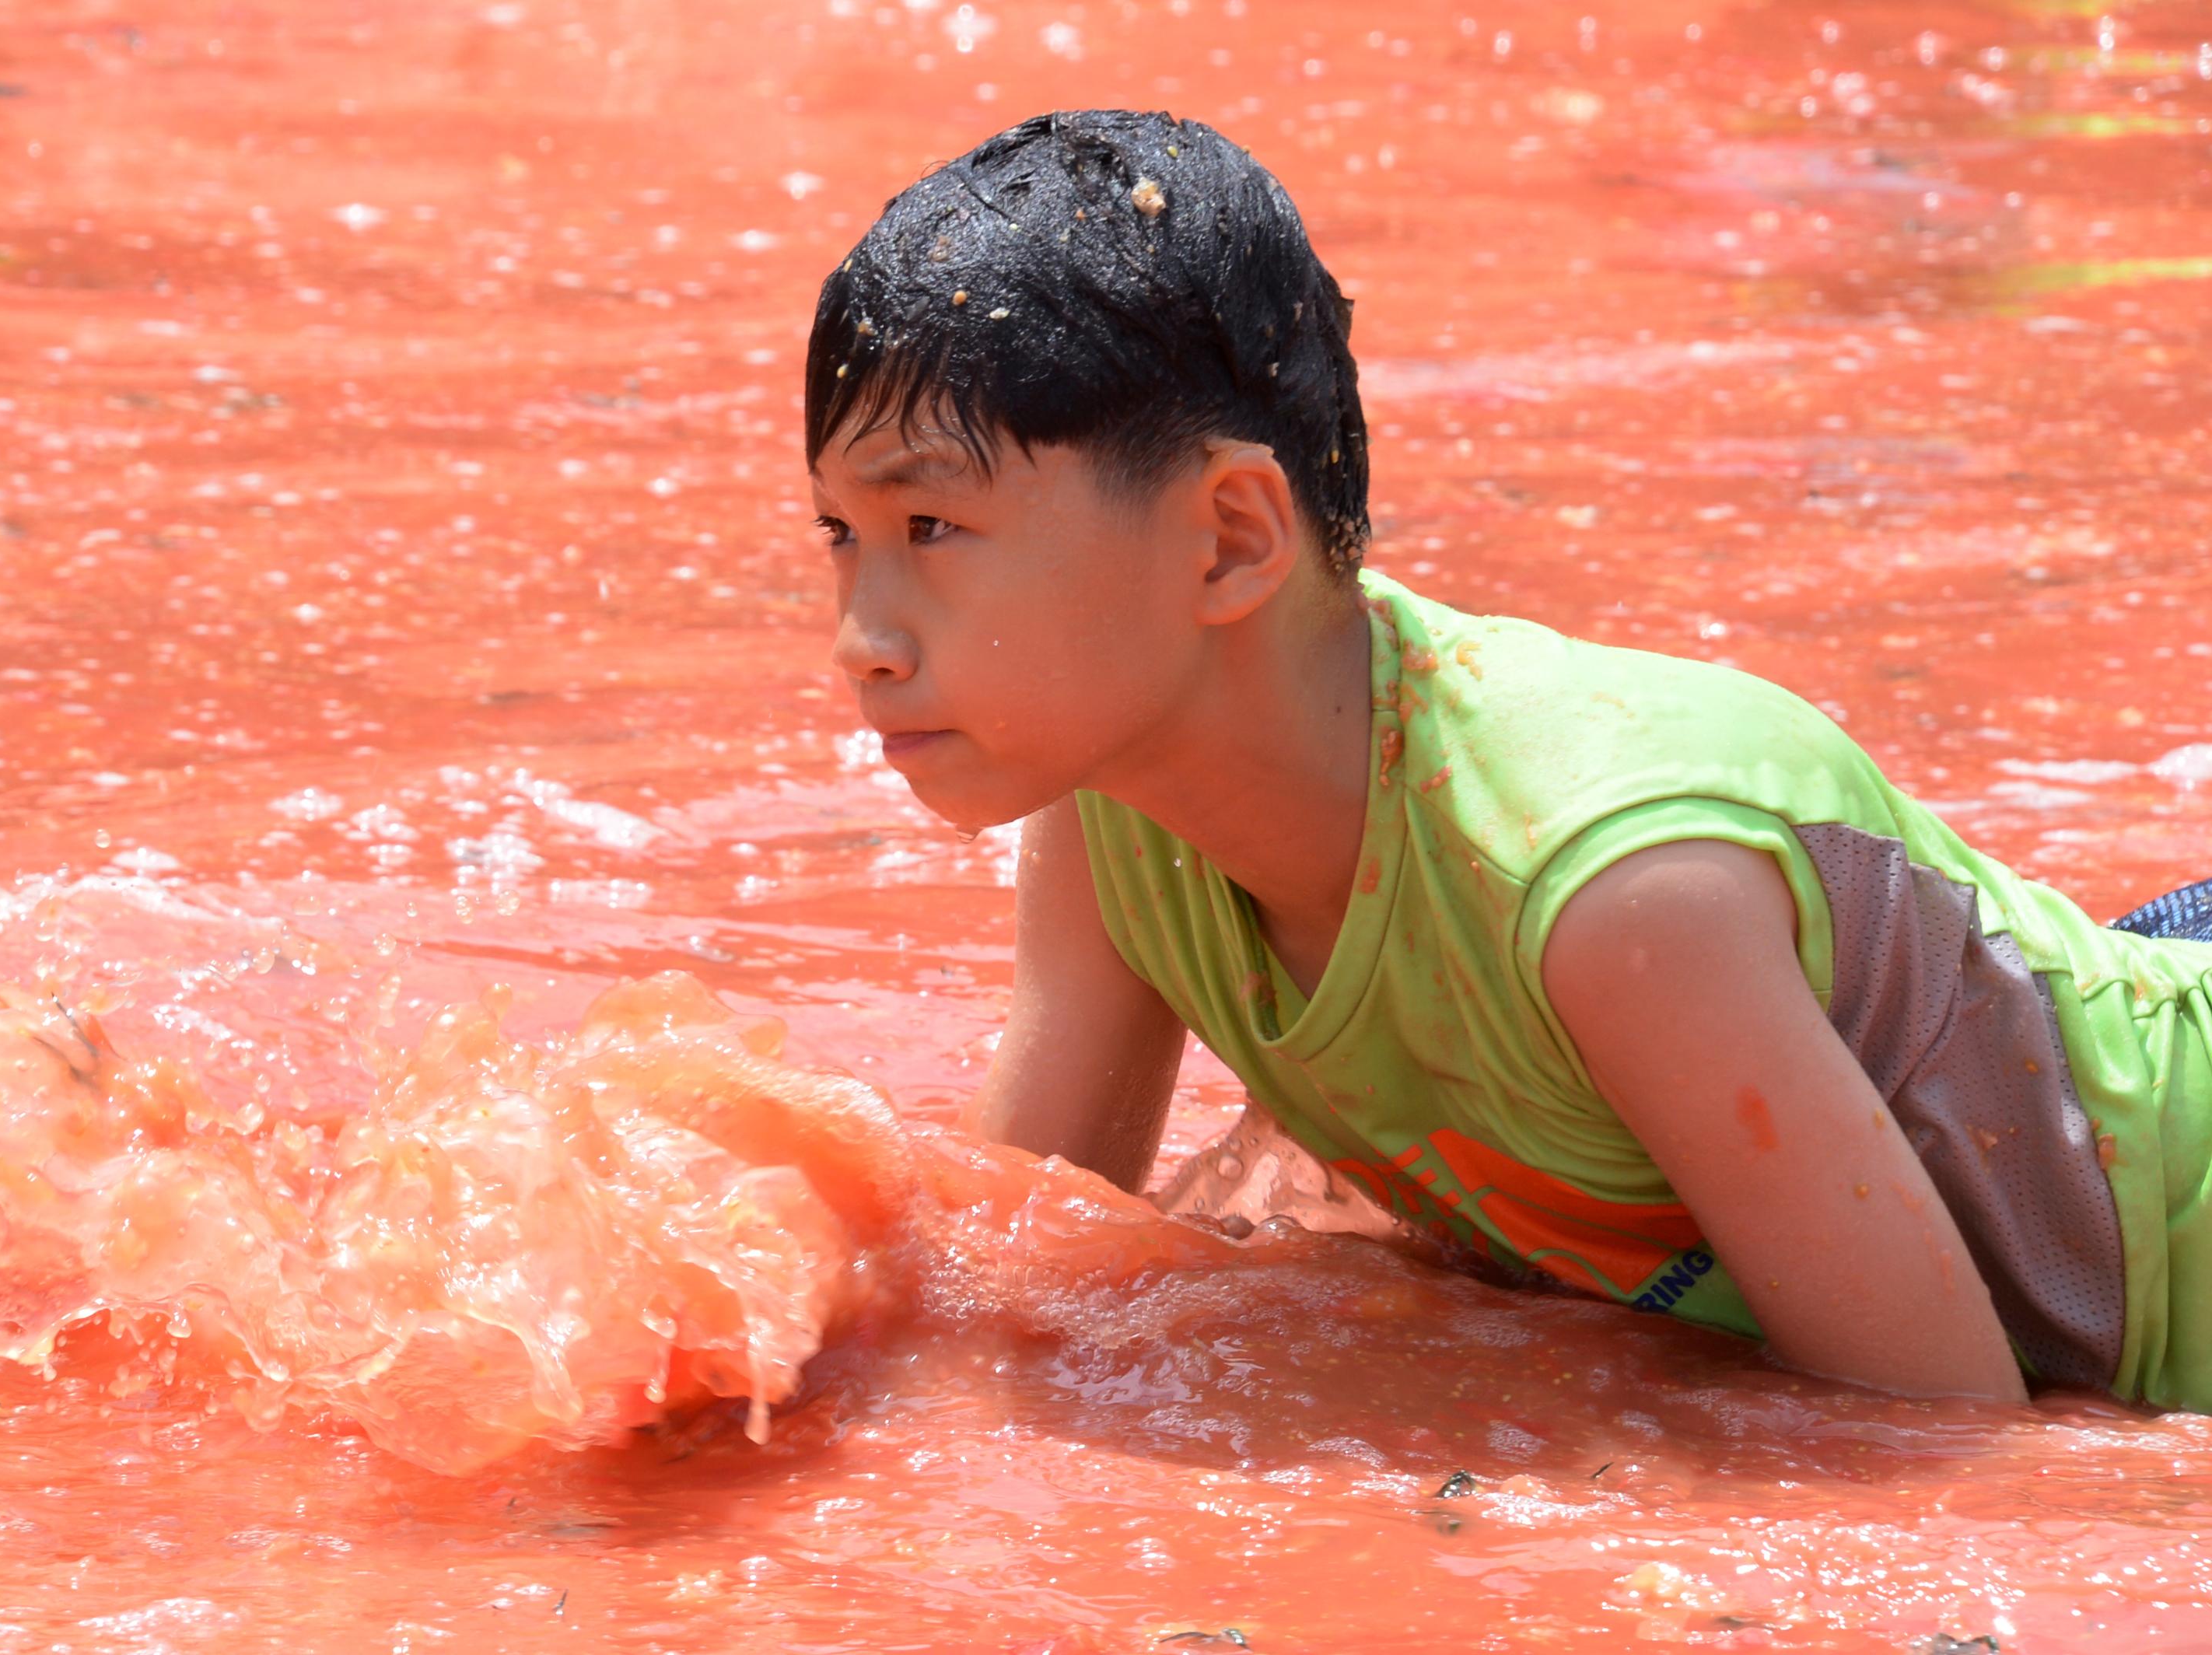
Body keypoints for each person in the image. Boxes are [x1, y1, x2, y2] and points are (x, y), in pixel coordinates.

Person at [802, 108, 2212, 1411]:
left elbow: (1943, 1453)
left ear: (1232, 537)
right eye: (840, 537)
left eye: (930, 531)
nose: (863, 636)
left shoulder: (1613, 894)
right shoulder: (1119, 818)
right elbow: (1018, 1282)